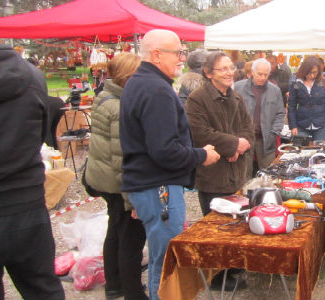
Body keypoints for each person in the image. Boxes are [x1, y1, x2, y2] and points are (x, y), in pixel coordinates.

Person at [119, 29, 220, 300]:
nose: (181, 58)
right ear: (156, 54)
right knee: (166, 261)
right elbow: (164, 151)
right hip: (158, 186)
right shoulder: (155, 89)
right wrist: (201, 155)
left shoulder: (142, 83)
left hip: (151, 185)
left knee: (160, 257)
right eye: (178, 52)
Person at [0, 13, 65, 300]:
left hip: (23, 199)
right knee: (43, 289)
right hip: (27, 202)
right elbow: (42, 134)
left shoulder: (31, 75)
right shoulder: (32, 75)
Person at [185, 51, 254, 291]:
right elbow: (199, 133)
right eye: (222, 68)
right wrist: (233, 145)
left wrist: (241, 145)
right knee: (216, 227)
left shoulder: (236, 97)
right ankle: (217, 277)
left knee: (237, 223)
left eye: (230, 67)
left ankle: (234, 269)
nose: (228, 72)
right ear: (208, 73)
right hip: (213, 174)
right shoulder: (197, 98)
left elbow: (248, 127)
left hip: (237, 171)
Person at [85, 52, 147, 300]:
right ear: (128, 77)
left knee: (116, 231)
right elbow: (122, 158)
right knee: (131, 237)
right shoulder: (120, 107)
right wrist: (133, 200)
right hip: (117, 182)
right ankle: (132, 290)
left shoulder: (105, 96)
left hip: (103, 178)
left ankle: (114, 284)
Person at [234, 58, 285, 178]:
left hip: (266, 140)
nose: (262, 77)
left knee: (268, 176)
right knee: (243, 176)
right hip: (244, 139)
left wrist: (274, 132)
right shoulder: (238, 88)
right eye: (259, 74)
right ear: (252, 72)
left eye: (265, 75)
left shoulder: (275, 90)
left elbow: (280, 113)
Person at [288, 56, 325, 142]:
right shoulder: (296, 82)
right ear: (303, 70)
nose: (312, 75)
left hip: (321, 125)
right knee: (301, 152)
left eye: (314, 72)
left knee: (320, 151)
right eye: (309, 73)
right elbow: (291, 106)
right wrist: (293, 125)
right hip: (301, 125)